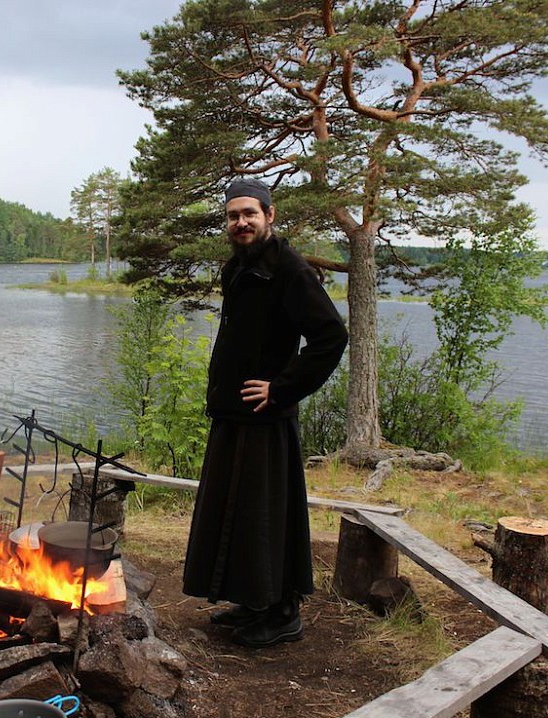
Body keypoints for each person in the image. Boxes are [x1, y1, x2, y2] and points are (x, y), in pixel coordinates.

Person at [182, 178, 348, 648]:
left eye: (249, 214)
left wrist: (282, 388)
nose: (241, 222)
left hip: (266, 416)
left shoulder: (290, 270)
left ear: (269, 215)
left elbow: (331, 336)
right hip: (233, 412)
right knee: (237, 511)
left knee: (267, 516)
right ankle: (254, 601)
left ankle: (283, 614)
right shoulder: (238, 266)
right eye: (233, 216)